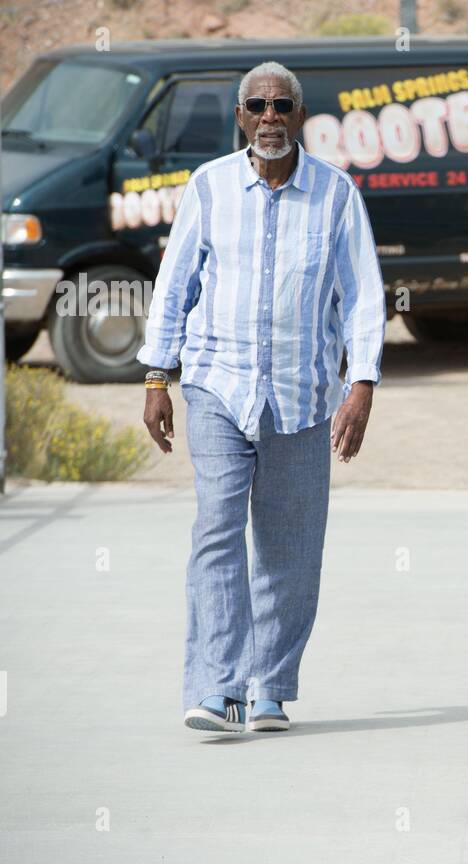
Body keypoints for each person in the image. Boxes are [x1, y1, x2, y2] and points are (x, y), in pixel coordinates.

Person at [139, 61, 385, 733]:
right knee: (217, 526)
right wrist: (157, 374)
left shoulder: (335, 195)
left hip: (302, 398)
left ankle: (269, 684)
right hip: (218, 384)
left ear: (301, 117)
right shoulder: (210, 187)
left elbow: (363, 295)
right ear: (241, 118)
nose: (270, 115)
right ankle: (215, 686)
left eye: (282, 105)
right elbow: (175, 282)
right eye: (257, 105)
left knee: (290, 546)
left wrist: (362, 383)